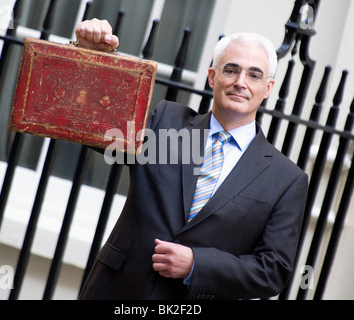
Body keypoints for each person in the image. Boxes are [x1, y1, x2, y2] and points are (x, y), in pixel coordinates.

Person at [74, 18, 308, 300]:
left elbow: (273, 272)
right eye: (231, 70)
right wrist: (88, 58)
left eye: (254, 75)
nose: (240, 82)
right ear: (212, 77)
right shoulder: (166, 123)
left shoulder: (285, 179)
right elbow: (92, 125)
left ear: (268, 88)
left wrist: (197, 264)